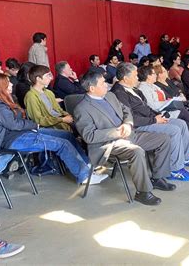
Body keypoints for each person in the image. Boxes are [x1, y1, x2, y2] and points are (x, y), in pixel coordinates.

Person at [74, 70, 174, 205]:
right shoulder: (82, 108)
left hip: (129, 134)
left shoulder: (110, 96)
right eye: (103, 83)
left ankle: (157, 178)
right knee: (137, 151)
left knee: (164, 139)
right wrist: (117, 132)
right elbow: (89, 136)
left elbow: (126, 110)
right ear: (92, 88)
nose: (107, 85)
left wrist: (127, 123)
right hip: (108, 144)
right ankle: (143, 192)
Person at [0, 73, 96, 186]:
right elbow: (14, 125)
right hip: (13, 139)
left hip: (23, 133)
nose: (11, 84)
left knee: (67, 135)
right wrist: (34, 125)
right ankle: (84, 177)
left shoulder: (6, 101)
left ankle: (87, 165)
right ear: (0, 87)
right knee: (62, 144)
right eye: (8, 82)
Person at [111, 63, 189, 181]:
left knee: (181, 123)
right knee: (174, 130)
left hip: (150, 119)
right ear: (126, 78)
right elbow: (130, 118)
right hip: (139, 125)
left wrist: (157, 115)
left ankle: (186, 157)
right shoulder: (119, 93)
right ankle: (175, 169)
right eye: (135, 76)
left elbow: (146, 107)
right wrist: (154, 120)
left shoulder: (133, 89)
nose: (138, 78)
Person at [138, 65, 189, 143]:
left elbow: (173, 91)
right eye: (154, 74)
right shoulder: (144, 88)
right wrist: (168, 102)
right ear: (148, 76)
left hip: (166, 106)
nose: (156, 75)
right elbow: (152, 105)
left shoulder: (153, 86)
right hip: (160, 112)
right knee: (184, 112)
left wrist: (175, 98)